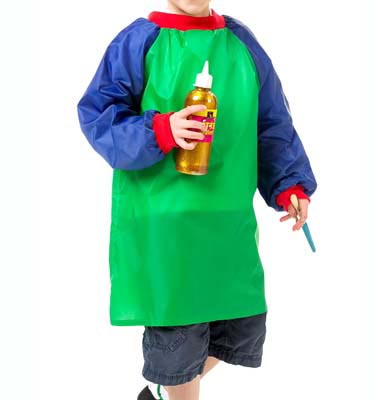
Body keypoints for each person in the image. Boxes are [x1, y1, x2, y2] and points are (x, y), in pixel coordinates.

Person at [76, 1, 318, 399]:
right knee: (180, 341)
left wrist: (289, 184)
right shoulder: (139, 42)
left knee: (241, 327)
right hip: (164, 225)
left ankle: (160, 390)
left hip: (227, 221)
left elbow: (271, 122)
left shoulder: (240, 44)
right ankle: (170, 387)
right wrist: (161, 130)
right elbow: (99, 116)